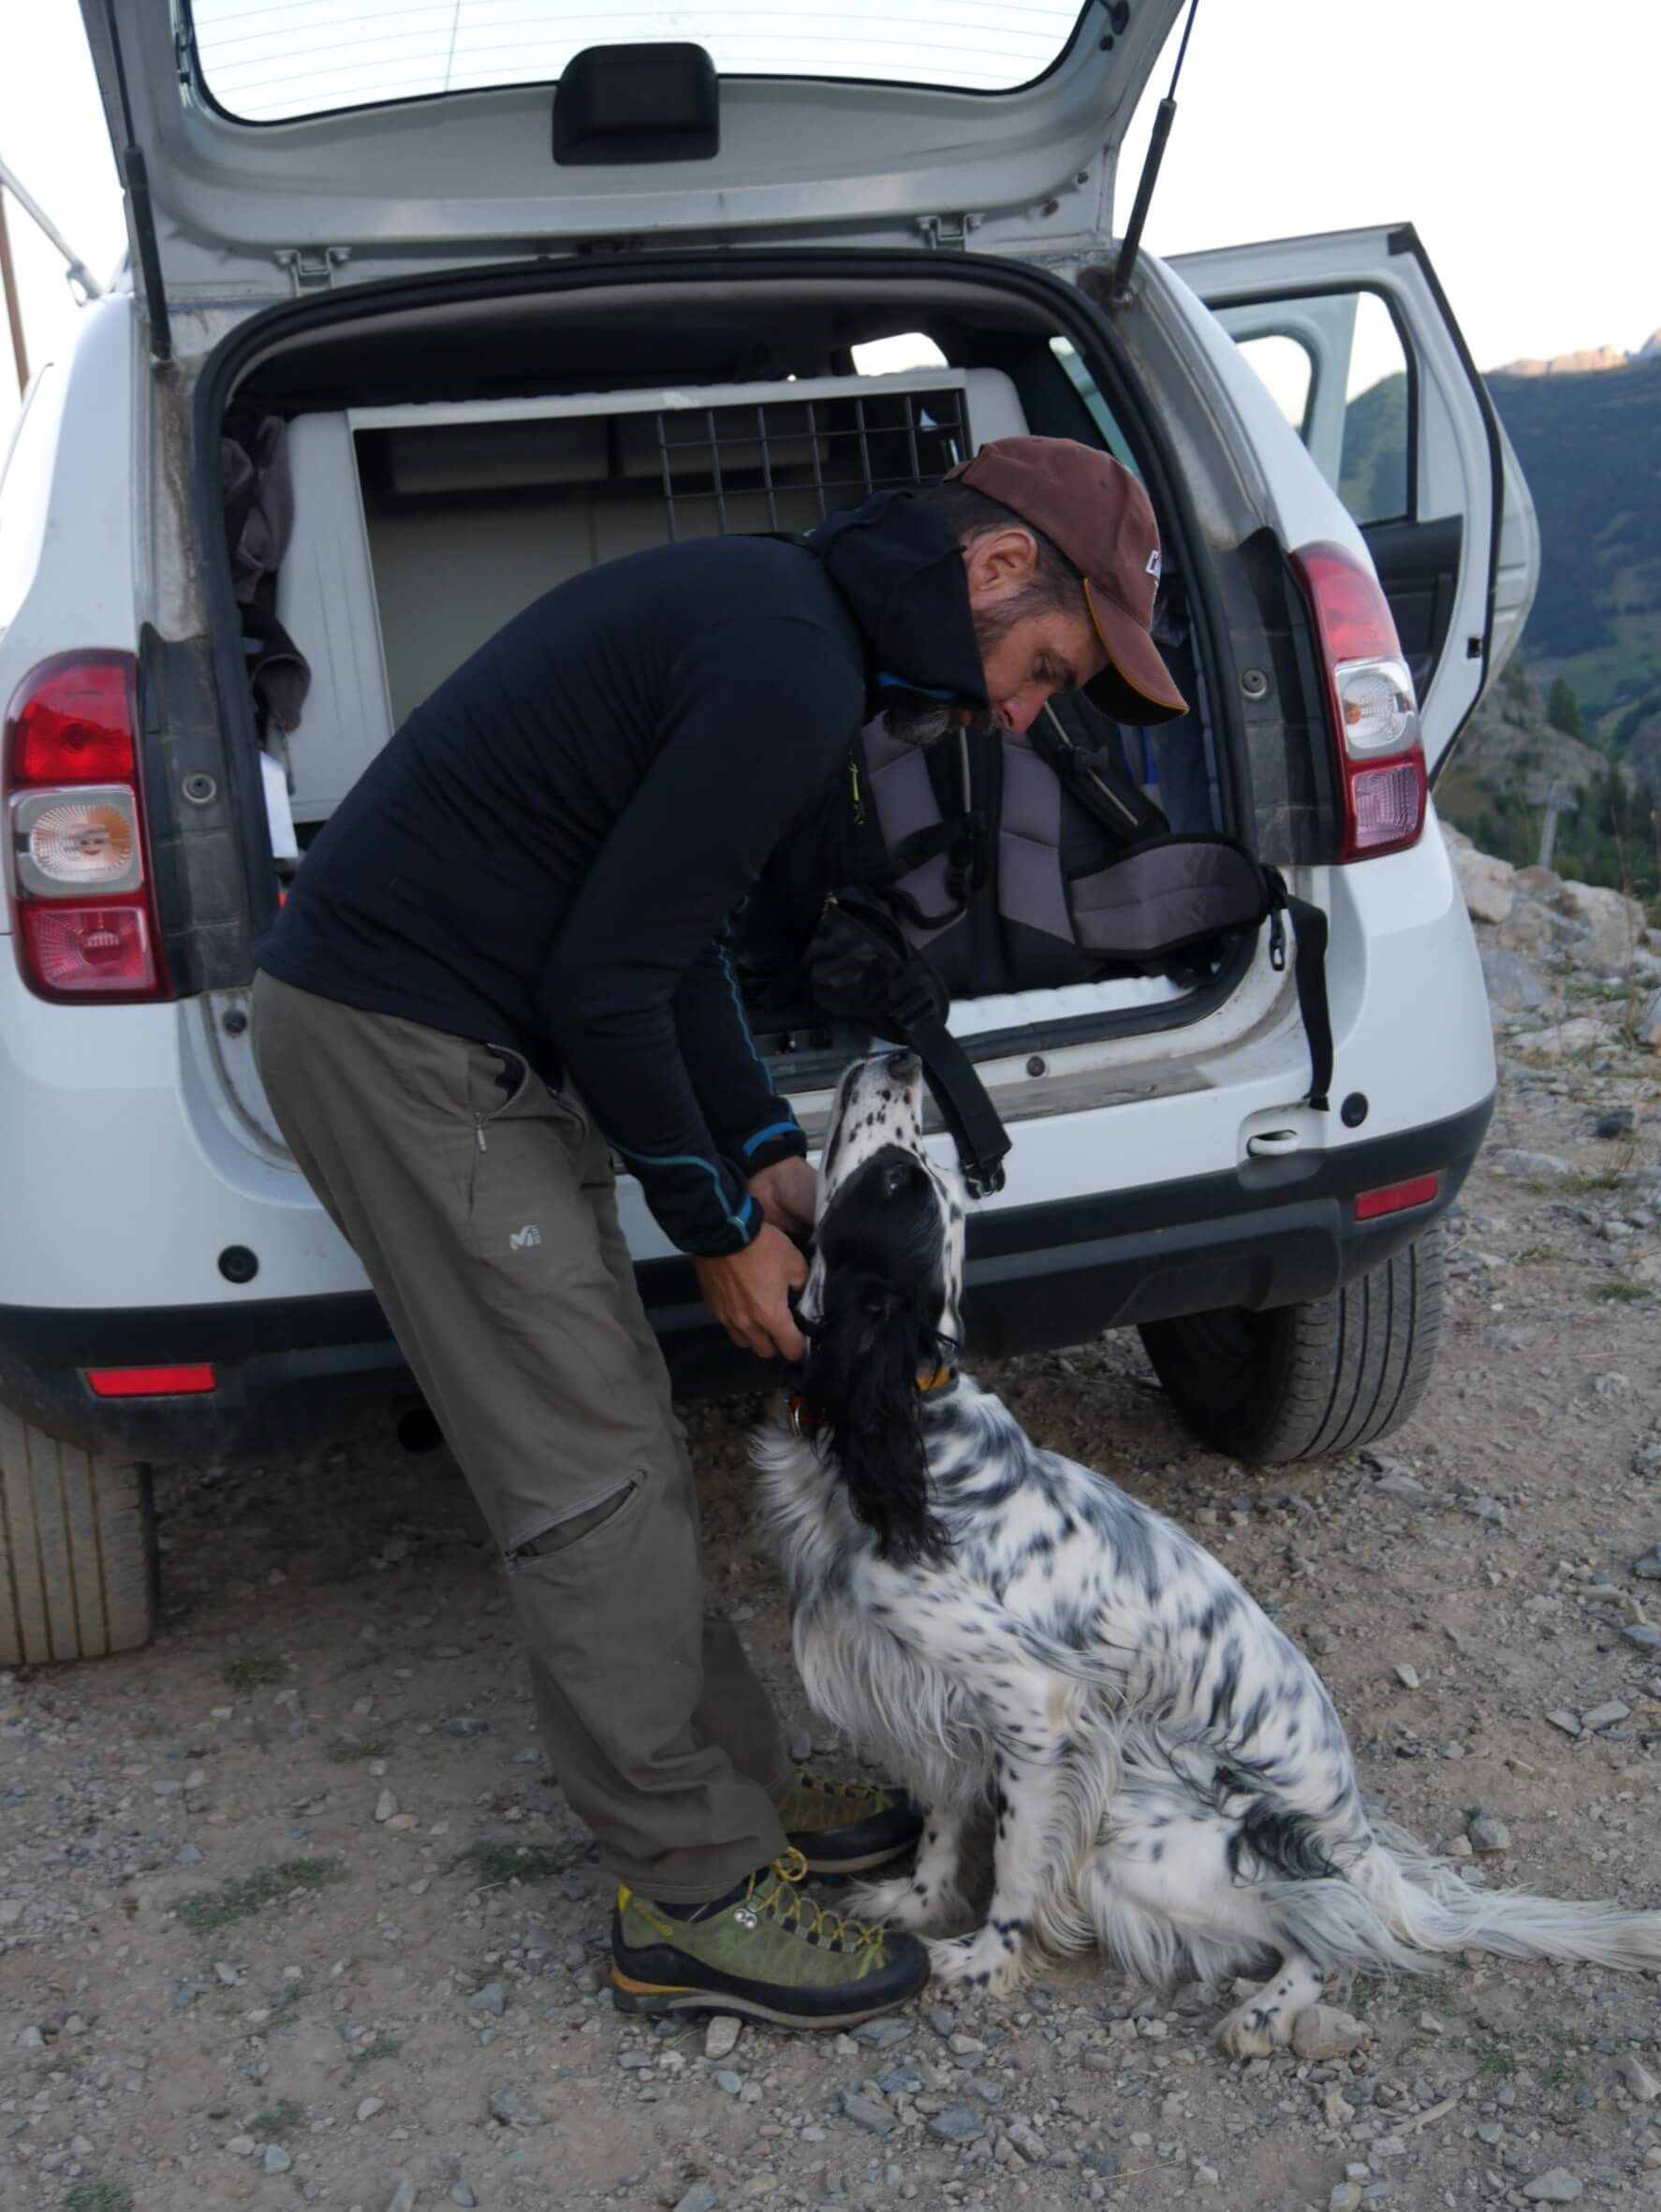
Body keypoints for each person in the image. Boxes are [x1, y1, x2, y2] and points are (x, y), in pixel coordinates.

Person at [250, 435, 1188, 2027]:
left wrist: (759, 1150)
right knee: (588, 1470)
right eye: (1042, 670)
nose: (1022, 716)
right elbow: (604, 983)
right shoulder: (786, 668)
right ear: (992, 571)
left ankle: (733, 1802)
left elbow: (659, 938)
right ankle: (687, 1895)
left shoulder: (784, 620)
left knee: (612, 1433)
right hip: (401, 1045)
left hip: (457, 1030)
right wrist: (712, 1226)